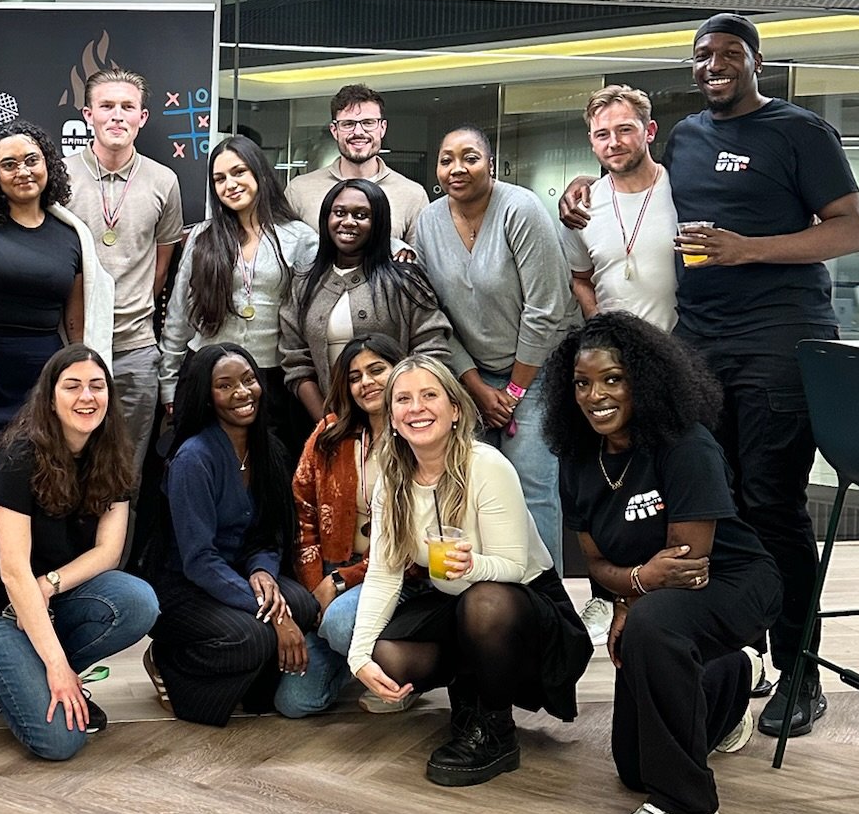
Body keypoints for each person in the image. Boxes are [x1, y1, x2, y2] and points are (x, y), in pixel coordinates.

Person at [612, 13, 859, 740]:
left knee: (770, 500)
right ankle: (733, 652)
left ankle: (801, 666)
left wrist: (748, 249)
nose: (714, 64)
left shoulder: (799, 131)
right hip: (700, 344)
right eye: (703, 55)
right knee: (707, 504)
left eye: (729, 53)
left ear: (757, 62)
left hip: (780, 339)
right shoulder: (688, 135)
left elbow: (851, 228)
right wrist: (583, 191)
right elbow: (640, 189)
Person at [540, 312, 781, 814]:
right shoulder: (577, 458)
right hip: (652, 597)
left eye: (613, 379)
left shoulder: (684, 444)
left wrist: (634, 594)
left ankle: (689, 803)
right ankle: (731, 677)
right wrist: (630, 591)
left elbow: (687, 565)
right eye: (582, 383)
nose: (595, 395)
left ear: (642, 381)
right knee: (632, 767)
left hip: (733, 580)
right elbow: (595, 565)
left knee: (653, 629)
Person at [351, 354, 590, 785]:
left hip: (524, 606)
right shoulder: (391, 479)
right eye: (403, 399)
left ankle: (495, 731)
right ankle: (469, 697)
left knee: (484, 601)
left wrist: (473, 564)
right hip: (454, 600)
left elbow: (514, 567)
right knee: (387, 656)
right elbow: (384, 573)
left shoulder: (487, 465)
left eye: (429, 395)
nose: (416, 408)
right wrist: (358, 655)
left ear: (455, 409)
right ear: (391, 416)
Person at [0, 346, 159, 759]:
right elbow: (13, 574)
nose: (87, 397)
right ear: (50, 398)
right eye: (73, 387)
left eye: (97, 386)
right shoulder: (19, 456)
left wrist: (51, 583)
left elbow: (108, 552)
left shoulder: (113, 454)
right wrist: (57, 668)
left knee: (137, 601)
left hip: (50, 599)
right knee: (60, 740)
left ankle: (31, 673)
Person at [0, 119, 113, 528]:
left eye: (31, 160)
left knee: (39, 511)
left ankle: (33, 592)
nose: (23, 171)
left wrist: (84, 389)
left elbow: (77, 324)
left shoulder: (72, 234)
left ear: (48, 164)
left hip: (44, 392)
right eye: (8, 164)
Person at [411, 127, 573, 564]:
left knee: (533, 485)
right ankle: (491, 602)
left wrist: (514, 392)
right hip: (470, 378)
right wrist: (477, 389)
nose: (457, 169)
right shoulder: (428, 222)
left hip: (536, 372)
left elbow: (547, 307)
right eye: (446, 160)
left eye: (470, 158)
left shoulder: (521, 209)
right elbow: (434, 316)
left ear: (491, 165)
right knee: (475, 487)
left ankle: (546, 607)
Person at [146, 344, 323, 724]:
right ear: (206, 397)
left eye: (248, 380)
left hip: (242, 571)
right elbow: (199, 561)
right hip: (186, 587)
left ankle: (251, 685)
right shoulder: (193, 459)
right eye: (224, 386)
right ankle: (167, 660)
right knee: (254, 635)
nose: (242, 392)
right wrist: (273, 615)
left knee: (304, 605)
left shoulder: (268, 449)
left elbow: (269, 532)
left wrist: (262, 571)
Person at [160, 135, 316, 455]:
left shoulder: (298, 237)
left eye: (238, 172)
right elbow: (179, 314)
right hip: (206, 372)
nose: (230, 184)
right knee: (205, 465)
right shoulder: (203, 237)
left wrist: (397, 249)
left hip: (270, 376)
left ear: (258, 173)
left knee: (268, 469)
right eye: (219, 179)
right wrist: (168, 383)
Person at [64, 67, 184, 477]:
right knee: (66, 462)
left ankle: (116, 545)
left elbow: (162, 264)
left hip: (136, 348)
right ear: (87, 114)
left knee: (125, 472)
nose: (117, 115)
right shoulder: (60, 176)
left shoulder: (163, 180)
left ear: (142, 118)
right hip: (72, 344)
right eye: (107, 106)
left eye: (127, 107)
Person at [280, 332, 401, 716]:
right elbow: (303, 510)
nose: (366, 382)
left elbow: (413, 545)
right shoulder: (330, 433)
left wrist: (340, 582)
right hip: (329, 569)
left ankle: (403, 671)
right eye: (355, 376)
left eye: (377, 370)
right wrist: (317, 582)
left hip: (392, 574)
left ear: (401, 371)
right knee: (295, 703)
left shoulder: (418, 433)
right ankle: (353, 657)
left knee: (337, 623)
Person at [280, 178, 453, 417]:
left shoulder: (404, 280)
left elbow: (432, 350)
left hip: (399, 420)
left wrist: (403, 409)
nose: (348, 222)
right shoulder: (304, 281)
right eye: (339, 213)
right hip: (328, 421)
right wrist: (327, 422)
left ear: (378, 223)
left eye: (361, 215)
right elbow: (296, 362)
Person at [559, 85, 679, 330]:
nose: (614, 143)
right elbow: (579, 277)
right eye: (602, 134)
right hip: (615, 355)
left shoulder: (683, 192)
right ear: (592, 141)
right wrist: (597, 319)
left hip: (683, 350)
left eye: (625, 130)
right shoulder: (581, 207)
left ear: (650, 131)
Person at [285, 83, 429, 240]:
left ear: (382, 128)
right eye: (348, 124)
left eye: (368, 123)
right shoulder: (298, 191)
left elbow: (418, 261)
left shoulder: (413, 195)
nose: (358, 132)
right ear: (334, 130)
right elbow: (284, 255)